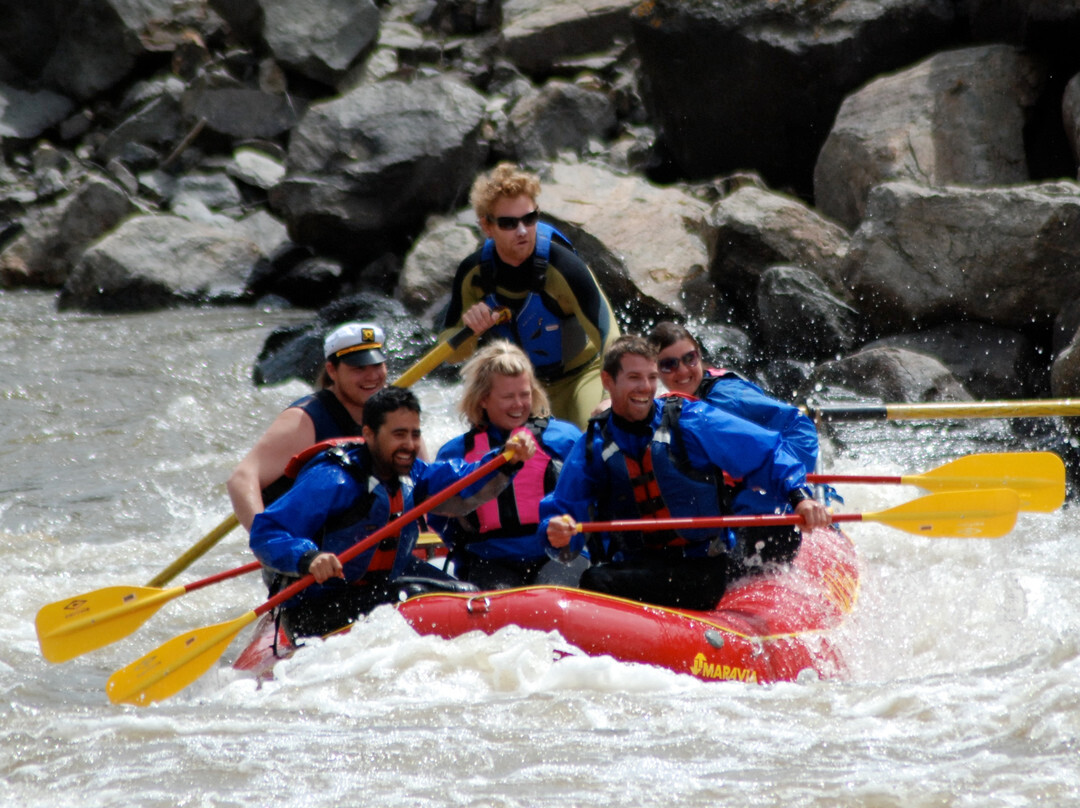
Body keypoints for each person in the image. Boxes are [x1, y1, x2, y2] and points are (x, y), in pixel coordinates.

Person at [541, 335, 831, 611]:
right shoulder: (592, 445)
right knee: (597, 577)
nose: (645, 387)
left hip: (700, 569)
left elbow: (766, 452)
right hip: (636, 565)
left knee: (597, 582)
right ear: (608, 381)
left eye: (651, 378)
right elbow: (563, 511)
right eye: (634, 378)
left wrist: (800, 497)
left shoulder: (691, 420)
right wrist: (556, 534)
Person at [249, 387, 536, 641]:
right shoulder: (333, 479)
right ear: (369, 434)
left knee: (466, 592)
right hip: (319, 606)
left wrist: (505, 459)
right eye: (399, 435)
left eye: (414, 434)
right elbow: (267, 531)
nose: (409, 445)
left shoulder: (411, 473)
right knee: (412, 596)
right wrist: (308, 558)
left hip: (378, 587)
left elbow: (462, 482)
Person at [439, 162, 621, 430]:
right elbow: (451, 355)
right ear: (487, 226)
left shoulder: (564, 267)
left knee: (597, 433)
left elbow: (610, 336)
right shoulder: (473, 274)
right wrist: (471, 332)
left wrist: (610, 397)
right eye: (508, 223)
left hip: (582, 378)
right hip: (522, 390)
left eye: (529, 218)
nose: (522, 230)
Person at [430, 340, 584, 589]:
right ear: (483, 399)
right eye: (508, 397)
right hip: (492, 557)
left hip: (557, 555)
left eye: (525, 394)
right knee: (498, 599)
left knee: (552, 594)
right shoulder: (457, 453)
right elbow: (440, 518)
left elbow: (591, 497)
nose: (519, 404)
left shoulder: (563, 439)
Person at [647, 321, 820, 523]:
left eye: (689, 358)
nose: (683, 371)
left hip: (773, 497)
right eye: (669, 365)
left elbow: (799, 425)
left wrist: (783, 489)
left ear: (699, 355)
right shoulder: (673, 406)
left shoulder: (728, 397)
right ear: (655, 370)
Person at [228, 321, 389, 531]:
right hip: (306, 544)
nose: (372, 376)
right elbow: (241, 480)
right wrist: (266, 539)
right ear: (332, 370)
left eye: (377, 365)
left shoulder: (393, 412)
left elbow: (420, 478)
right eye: (358, 368)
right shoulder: (305, 419)